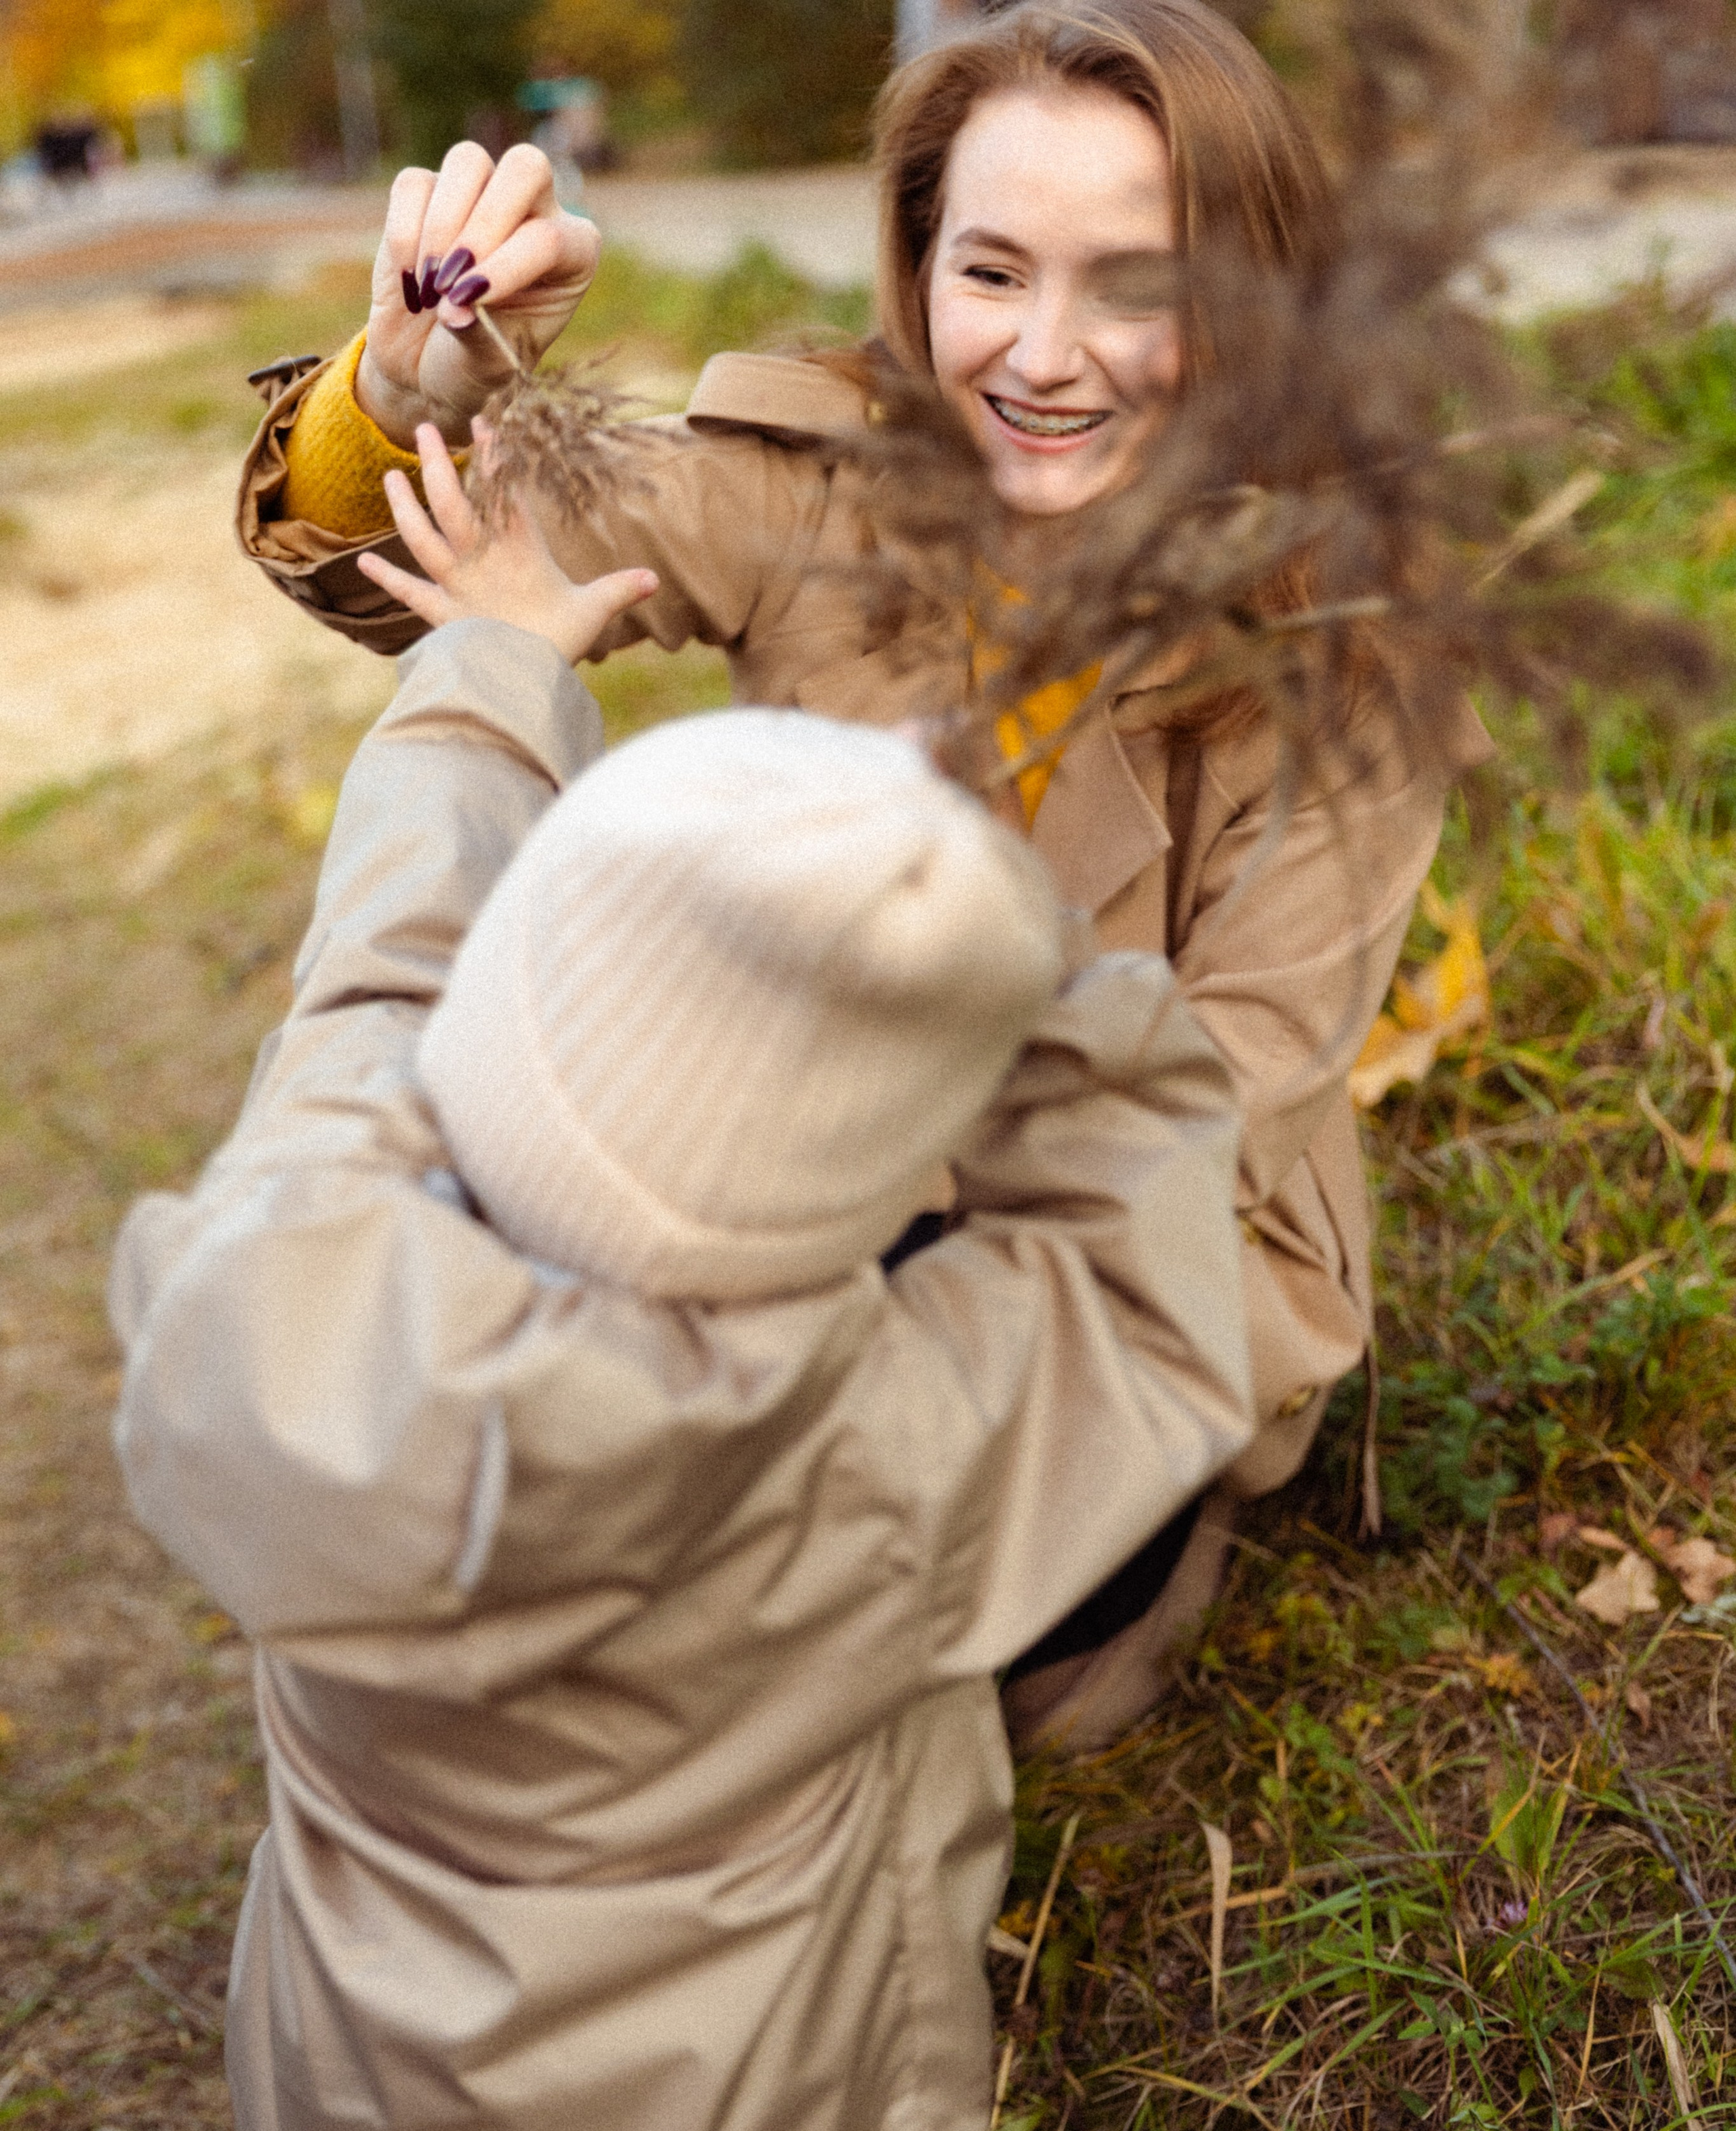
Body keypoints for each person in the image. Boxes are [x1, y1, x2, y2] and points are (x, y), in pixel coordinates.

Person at [109, 465, 1253, 2131]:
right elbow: (1156, 1274)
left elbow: (385, 955)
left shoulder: (282, 1263)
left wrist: (488, 680)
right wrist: (977, 986)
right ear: (861, 1179)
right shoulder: (867, 1460)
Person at [233, 0, 1491, 1753]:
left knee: (779, 1623)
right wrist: (407, 393)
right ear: (919, 266)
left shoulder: (1349, 648)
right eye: (992, 273)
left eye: (1138, 290)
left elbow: (1204, 1119)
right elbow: (406, 564)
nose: (1046, 355)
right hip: (794, 1208)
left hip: (1117, 1268)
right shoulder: (835, 481)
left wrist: (785, 1330)